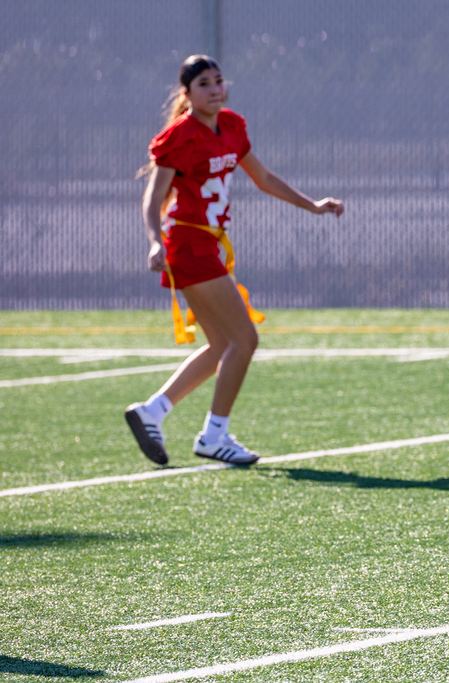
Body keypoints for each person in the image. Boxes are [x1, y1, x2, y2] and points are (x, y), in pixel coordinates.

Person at [124, 55, 344, 466]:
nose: (215, 89)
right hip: (188, 245)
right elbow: (153, 200)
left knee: (223, 344)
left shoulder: (232, 126)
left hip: (208, 246)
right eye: (204, 83)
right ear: (186, 94)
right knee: (245, 340)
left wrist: (313, 206)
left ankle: (151, 412)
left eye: (219, 81)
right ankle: (214, 434)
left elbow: (263, 179)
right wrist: (155, 242)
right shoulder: (179, 136)